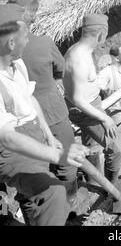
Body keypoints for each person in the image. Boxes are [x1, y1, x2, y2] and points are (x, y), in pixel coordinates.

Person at [0, 20, 89, 226]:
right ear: (11, 43)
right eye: (26, 36)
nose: (29, 40)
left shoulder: (17, 64)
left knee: (36, 195)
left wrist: (48, 136)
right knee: (52, 192)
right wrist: (59, 154)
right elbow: (7, 137)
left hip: (31, 134)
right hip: (10, 146)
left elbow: (30, 100)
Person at [5, 0, 79, 202]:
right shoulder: (44, 43)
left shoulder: (9, 53)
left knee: (35, 170)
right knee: (66, 160)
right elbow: (60, 69)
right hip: (51, 111)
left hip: (21, 121)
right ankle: (71, 203)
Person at [63, 13, 121, 185]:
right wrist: (104, 118)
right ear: (101, 34)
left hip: (90, 105)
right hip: (86, 109)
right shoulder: (79, 60)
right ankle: (110, 188)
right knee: (117, 150)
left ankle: (93, 182)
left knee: (91, 146)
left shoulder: (78, 50)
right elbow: (78, 100)